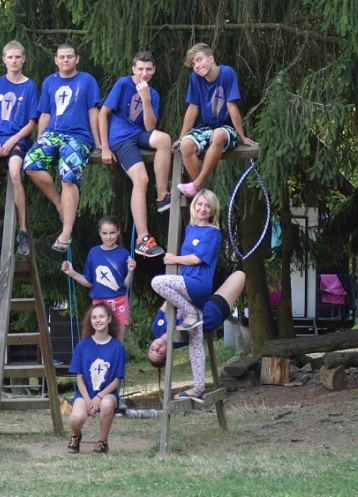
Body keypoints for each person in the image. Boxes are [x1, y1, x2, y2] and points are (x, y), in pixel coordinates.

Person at [23, 43, 101, 253]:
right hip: (52, 135)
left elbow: (93, 111)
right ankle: (59, 204)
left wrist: (98, 142)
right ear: (56, 60)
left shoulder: (87, 80)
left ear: (77, 59)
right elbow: (45, 113)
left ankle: (66, 232)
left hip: (78, 137)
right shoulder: (50, 81)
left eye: (69, 56)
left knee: (68, 177)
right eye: (62, 57)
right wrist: (40, 139)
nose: (66, 60)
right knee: (30, 164)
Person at [150, 189, 222, 401]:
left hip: (198, 284)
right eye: (199, 204)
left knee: (157, 282)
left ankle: (192, 312)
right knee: (195, 338)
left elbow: (197, 259)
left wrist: (174, 259)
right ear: (194, 206)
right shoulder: (190, 228)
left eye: (207, 206)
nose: (202, 209)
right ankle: (199, 387)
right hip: (186, 285)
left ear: (213, 210)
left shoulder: (213, 233)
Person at [98, 51, 172, 258]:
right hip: (120, 137)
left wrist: (146, 99)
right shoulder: (123, 84)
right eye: (140, 69)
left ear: (154, 70)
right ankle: (143, 239)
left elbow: (149, 126)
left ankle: (162, 195)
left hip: (138, 133)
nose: (144, 73)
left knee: (164, 139)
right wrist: (104, 147)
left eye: (148, 69)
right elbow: (103, 113)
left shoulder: (153, 94)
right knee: (141, 180)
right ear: (133, 69)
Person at [0, 40, 39, 256]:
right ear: (4, 59)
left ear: (24, 59)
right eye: (10, 57)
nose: (14, 61)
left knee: (14, 173)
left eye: (17, 57)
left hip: (17, 140)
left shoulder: (29, 87)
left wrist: (12, 141)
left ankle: (22, 230)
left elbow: (31, 123)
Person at [172, 43, 255, 198]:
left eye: (199, 60)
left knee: (218, 134)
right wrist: (181, 137)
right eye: (193, 64)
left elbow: (231, 105)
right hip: (206, 127)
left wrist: (242, 136)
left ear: (211, 58)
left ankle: (197, 185)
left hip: (226, 128)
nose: (197, 66)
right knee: (186, 145)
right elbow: (193, 108)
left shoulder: (227, 73)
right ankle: (202, 193)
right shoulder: (195, 78)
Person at [60, 215, 136, 343]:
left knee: (117, 345)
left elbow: (127, 284)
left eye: (112, 233)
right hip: (99, 305)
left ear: (118, 232)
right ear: (99, 233)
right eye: (105, 233)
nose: (108, 237)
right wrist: (72, 273)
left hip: (119, 303)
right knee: (98, 343)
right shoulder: (94, 253)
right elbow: (90, 283)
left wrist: (131, 271)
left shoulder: (124, 254)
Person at [148, 270, 246, 366]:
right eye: (159, 353)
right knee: (239, 275)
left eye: (152, 349)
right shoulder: (178, 340)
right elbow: (193, 329)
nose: (157, 348)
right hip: (213, 311)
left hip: (199, 301)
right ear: (167, 354)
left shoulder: (156, 327)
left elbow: (168, 300)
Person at [66, 303, 125, 455]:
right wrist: (88, 401)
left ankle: (102, 442)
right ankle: (76, 435)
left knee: (106, 404)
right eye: (94, 317)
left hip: (107, 394)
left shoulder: (117, 347)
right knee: (76, 419)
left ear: (109, 319)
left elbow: (117, 380)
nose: (98, 320)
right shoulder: (82, 345)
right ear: (90, 321)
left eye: (101, 316)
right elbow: (79, 377)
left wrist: (99, 397)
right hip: (85, 393)